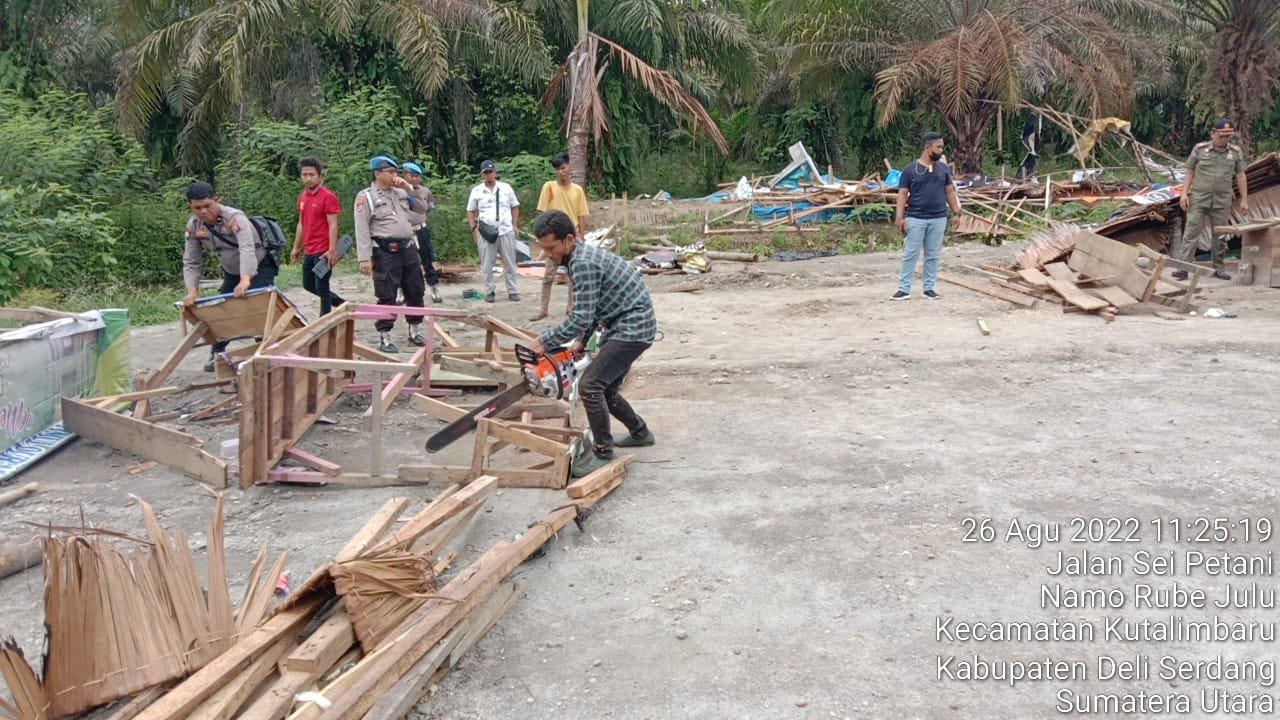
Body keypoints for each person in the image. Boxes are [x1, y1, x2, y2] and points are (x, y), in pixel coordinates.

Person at [528, 210, 656, 479]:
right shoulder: (579, 257)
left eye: (551, 248)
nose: (547, 255)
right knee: (606, 389)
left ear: (569, 239)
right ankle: (640, 432)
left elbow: (580, 317)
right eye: (544, 249)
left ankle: (603, 452)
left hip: (631, 328)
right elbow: (592, 309)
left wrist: (544, 341)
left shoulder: (583, 263)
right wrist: (581, 341)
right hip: (628, 325)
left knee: (590, 386)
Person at [182, 181, 279, 372]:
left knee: (258, 305)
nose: (203, 211)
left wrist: (246, 279)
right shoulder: (194, 225)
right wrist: (192, 291)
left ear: (217, 200)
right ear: (190, 206)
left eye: (207, 206)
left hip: (260, 264)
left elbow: (247, 248)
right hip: (231, 269)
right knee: (222, 308)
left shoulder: (235, 218)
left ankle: (265, 350)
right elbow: (192, 260)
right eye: (197, 208)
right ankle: (217, 353)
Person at [354, 155, 427, 353]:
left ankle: (414, 330)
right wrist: (364, 258)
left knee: (415, 289)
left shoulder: (401, 193)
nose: (395, 175)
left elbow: (422, 209)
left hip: (408, 248)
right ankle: (385, 336)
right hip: (385, 250)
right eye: (390, 172)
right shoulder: (366, 196)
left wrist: (409, 188)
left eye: (395, 172)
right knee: (387, 293)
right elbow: (361, 228)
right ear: (378, 174)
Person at [1172, 118, 1249, 281]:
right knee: (1191, 232)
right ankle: (1183, 268)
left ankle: (1219, 268)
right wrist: (1184, 193)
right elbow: (1190, 171)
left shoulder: (1235, 152)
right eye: (1221, 136)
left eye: (1228, 136)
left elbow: (1241, 175)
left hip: (1222, 200)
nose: (1224, 139)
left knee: (1220, 234)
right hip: (1199, 198)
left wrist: (1244, 199)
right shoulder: (1200, 149)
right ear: (1213, 133)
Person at [892, 131, 962, 300]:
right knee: (910, 253)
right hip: (916, 218)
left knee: (933, 255)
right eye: (938, 147)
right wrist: (899, 217)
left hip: (939, 218)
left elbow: (950, 191)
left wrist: (957, 213)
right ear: (928, 147)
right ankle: (904, 289)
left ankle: (929, 288)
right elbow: (902, 194)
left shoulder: (943, 169)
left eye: (942, 147)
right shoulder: (910, 170)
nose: (941, 150)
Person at [532, 153, 588, 321]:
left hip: (570, 237)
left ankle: (571, 308)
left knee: (573, 276)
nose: (560, 172)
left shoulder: (577, 190)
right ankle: (543, 309)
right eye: (557, 169)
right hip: (553, 237)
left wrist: (582, 235)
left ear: (569, 168)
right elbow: (542, 213)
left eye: (563, 168)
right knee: (548, 275)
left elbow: (582, 215)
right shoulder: (549, 187)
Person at [290, 156, 345, 315]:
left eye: (312, 174)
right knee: (308, 284)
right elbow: (301, 223)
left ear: (320, 176)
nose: (308, 178)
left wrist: (332, 249)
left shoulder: (328, 196)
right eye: (305, 175)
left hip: (324, 249)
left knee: (322, 286)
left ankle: (324, 320)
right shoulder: (303, 197)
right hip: (309, 249)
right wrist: (295, 247)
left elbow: (333, 224)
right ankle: (341, 304)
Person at [466, 159, 521, 303]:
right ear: (482, 174)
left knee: (510, 263)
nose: (489, 175)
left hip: (505, 229)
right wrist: (473, 228)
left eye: (491, 172)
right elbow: (470, 210)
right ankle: (490, 291)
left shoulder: (506, 188)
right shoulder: (477, 191)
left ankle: (513, 290)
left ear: (495, 173)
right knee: (487, 264)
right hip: (486, 232)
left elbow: (515, 206)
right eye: (486, 172)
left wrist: (515, 225)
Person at [400, 161, 443, 303]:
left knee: (427, 259)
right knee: (403, 262)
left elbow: (429, 208)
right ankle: (401, 290)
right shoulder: (398, 190)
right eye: (411, 175)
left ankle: (434, 287)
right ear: (405, 176)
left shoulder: (425, 191)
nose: (414, 178)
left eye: (417, 176)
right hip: (404, 231)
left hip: (420, 229)